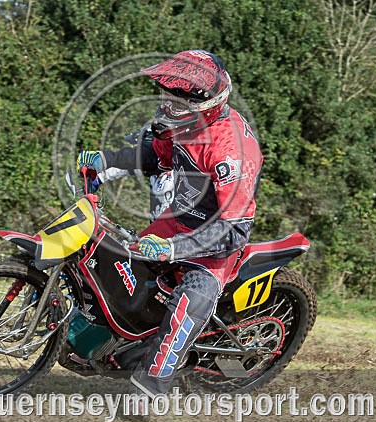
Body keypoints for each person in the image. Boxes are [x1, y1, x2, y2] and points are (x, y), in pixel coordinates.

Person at [76, 50, 264, 400]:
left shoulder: (231, 152)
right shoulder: (181, 122)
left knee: (188, 304)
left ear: (205, 104)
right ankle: (119, 345)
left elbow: (235, 229)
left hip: (214, 244)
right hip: (175, 221)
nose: (166, 105)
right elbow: (154, 156)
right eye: (165, 96)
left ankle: (151, 390)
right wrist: (107, 161)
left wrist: (174, 249)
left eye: (176, 101)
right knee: (119, 266)